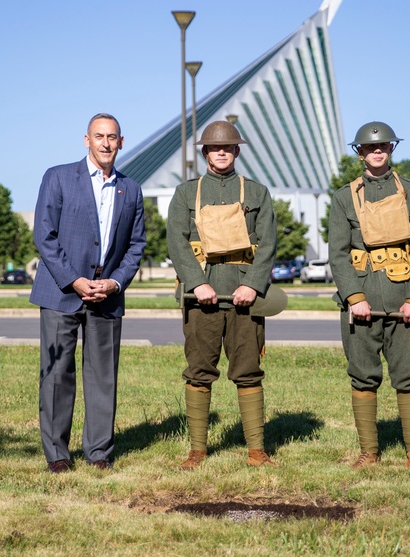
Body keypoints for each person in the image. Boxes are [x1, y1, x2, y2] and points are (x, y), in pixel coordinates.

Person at [29, 113, 146, 473]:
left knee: (102, 376)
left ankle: (98, 452)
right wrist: (74, 280)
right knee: (57, 373)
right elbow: (44, 236)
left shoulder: (132, 189)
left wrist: (115, 282)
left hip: (107, 294)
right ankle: (57, 454)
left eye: (113, 137)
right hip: (62, 292)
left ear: (121, 142)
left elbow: (136, 245)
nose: (106, 143)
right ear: (86, 140)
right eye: (99, 136)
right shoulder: (59, 177)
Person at [166, 120, 278, 469]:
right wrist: (197, 283)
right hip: (201, 296)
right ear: (205, 153)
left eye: (228, 148)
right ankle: (198, 450)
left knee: (248, 370)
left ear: (237, 152)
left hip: (245, 294)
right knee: (199, 370)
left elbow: (269, 243)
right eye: (215, 148)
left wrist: (252, 284)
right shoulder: (186, 193)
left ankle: (257, 450)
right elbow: (177, 241)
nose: (222, 153)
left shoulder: (257, 193)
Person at [328, 121, 410, 471]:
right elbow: (338, 253)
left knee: (407, 376)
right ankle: (369, 451)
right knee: (362, 375)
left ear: (391, 149)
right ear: (359, 153)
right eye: (370, 147)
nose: (377, 151)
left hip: (403, 297)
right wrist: (353, 297)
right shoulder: (344, 197)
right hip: (361, 300)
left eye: (384, 146)